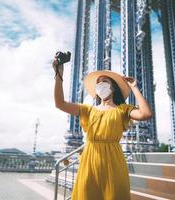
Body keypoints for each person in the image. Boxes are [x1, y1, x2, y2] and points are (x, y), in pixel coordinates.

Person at [53, 55, 153, 200]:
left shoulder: (123, 109)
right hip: (89, 161)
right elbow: (60, 103)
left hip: (114, 162)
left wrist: (134, 87)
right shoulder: (88, 110)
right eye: (98, 83)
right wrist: (59, 73)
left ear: (113, 88)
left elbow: (146, 113)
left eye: (104, 82)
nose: (100, 85)